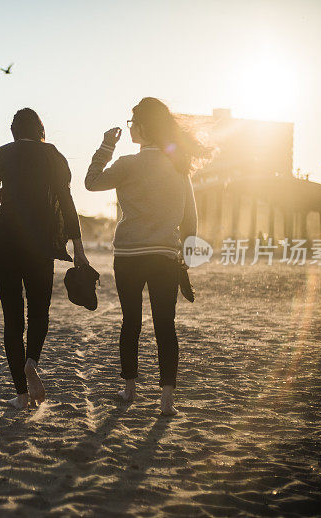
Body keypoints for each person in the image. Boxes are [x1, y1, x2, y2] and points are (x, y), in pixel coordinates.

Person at [85, 97, 210, 416]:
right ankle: (166, 401)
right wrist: (184, 258)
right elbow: (190, 220)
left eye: (132, 123)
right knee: (165, 325)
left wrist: (105, 147)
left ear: (142, 127)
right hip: (165, 255)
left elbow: (91, 183)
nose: (129, 128)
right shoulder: (179, 167)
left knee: (131, 323)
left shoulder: (126, 164)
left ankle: (129, 391)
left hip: (128, 253)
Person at [0, 108, 88, 409]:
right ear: (42, 129)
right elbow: (67, 203)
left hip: (5, 243)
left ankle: (21, 395)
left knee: (11, 318)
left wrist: (8, 190)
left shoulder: (1, 154)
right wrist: (78, 247)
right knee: (39, 311)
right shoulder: (53, 155)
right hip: (41, 244)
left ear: (12, 130)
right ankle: (31, 361)